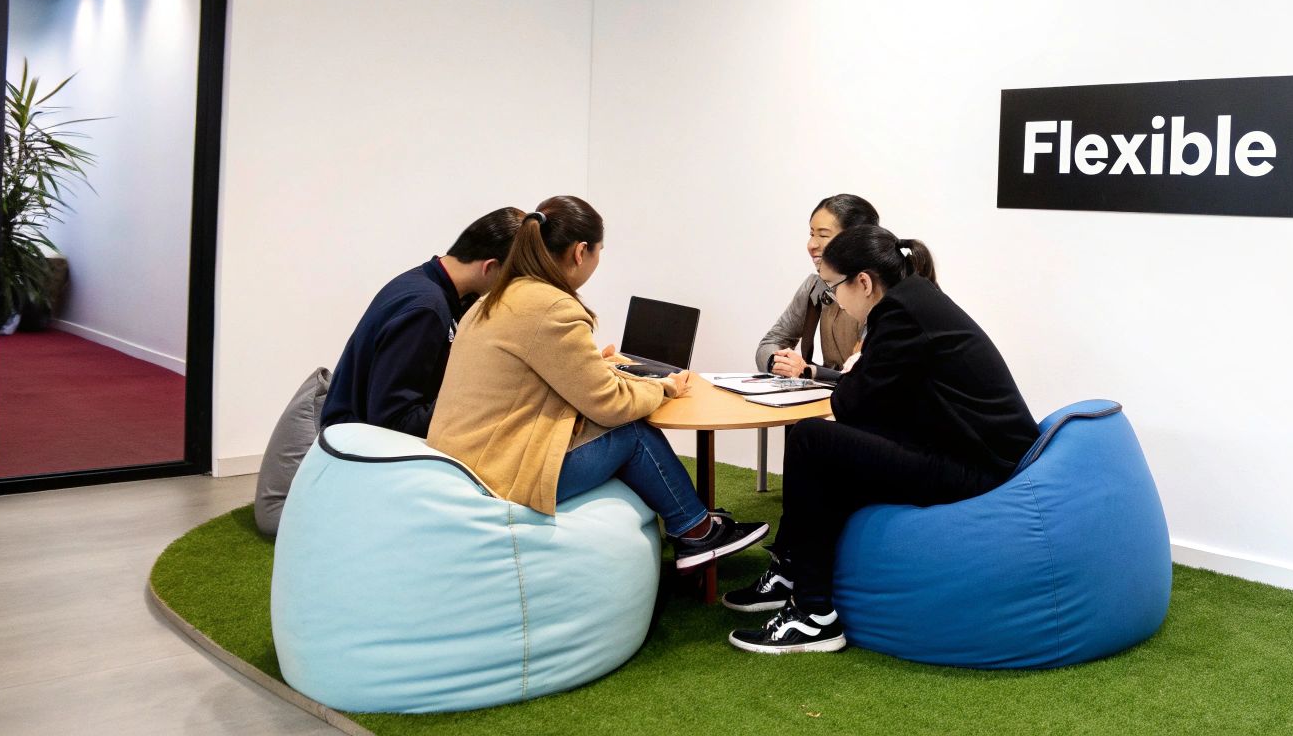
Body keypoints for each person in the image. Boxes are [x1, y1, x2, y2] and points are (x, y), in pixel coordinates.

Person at [724, 225, 1039, 653]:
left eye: (833, 287)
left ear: (864, 283)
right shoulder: (915, 299)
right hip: (967, 451)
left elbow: (852, 404)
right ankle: (793, 572)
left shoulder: (899, 316)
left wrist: (858, 367)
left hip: (981, 469)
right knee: (831, 448)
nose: (834, 299)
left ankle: (813, 614)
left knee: (810, 439)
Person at [428, 196, 768, 569]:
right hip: (501, 471)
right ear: (580, 252)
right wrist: (661, 387)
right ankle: (696, 532)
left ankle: (693, 520)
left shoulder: (499, 296)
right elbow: (610, 405)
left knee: (615, 423)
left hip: (465, 460)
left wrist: (604, 369)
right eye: (598, 252)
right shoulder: (552, 308)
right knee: (631, 431)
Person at [319, 207, 524, 439]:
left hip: (358, 435)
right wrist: (473, 399)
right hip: (357, 445)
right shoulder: (426, 309)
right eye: (512, 280)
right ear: (490, 267)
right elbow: (393, 422)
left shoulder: (430, 287)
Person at [755, 194, 885, 381]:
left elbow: (867, 374)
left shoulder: (882, 293)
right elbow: (772, 341)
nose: (811, 245)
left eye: (823, 235)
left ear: (855, 240)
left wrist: (808, 371)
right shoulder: (814, 287)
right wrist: (780, 363)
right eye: (811, 234)